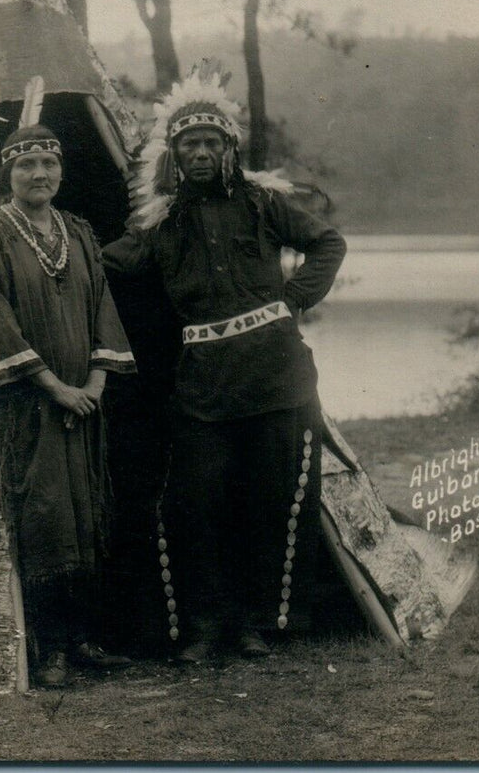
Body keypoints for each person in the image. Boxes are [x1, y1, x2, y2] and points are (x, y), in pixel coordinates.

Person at [102, 69, 346, 663]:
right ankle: (205, 625)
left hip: (277, 376)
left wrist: (291, 301)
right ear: (175, 155)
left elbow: (328, 243)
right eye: (191, 143)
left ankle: (259, 623)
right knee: (194, 505)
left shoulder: (263, 203)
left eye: (213, 142)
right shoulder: (159, 226)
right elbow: (104, 266)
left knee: (269, 501)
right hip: (203, 387)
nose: (203, 152)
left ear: (230, 149)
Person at [0, 122, 138, 688]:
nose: (39, 175)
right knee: (44, 520)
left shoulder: (80, 233)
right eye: (25, 166)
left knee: (85, 515)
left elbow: (102, 310)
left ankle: (84, 638)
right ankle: (51, 648)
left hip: (83, 403)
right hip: (30, 409)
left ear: (61, 171)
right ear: (7, 175)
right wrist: (53, 386)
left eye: (49, 164)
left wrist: (94, 384)